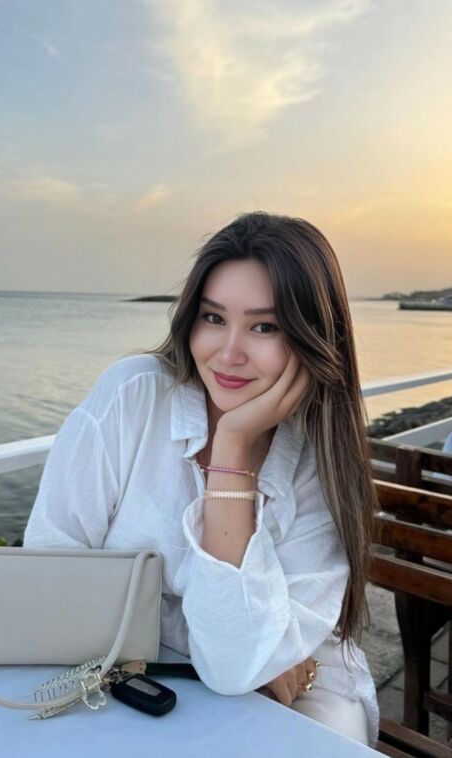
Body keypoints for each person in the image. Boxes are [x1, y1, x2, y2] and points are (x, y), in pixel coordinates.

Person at [24, 211, 380, 747]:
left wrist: (232, 454)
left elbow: (235, 666)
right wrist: (237, 645)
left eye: (265, 326)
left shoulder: (318, 458)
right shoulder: (135, 397)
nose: (228, 353)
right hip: (139, 670)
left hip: (302, 684)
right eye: (214, 318)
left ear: (313, 339)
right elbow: (51, 565)